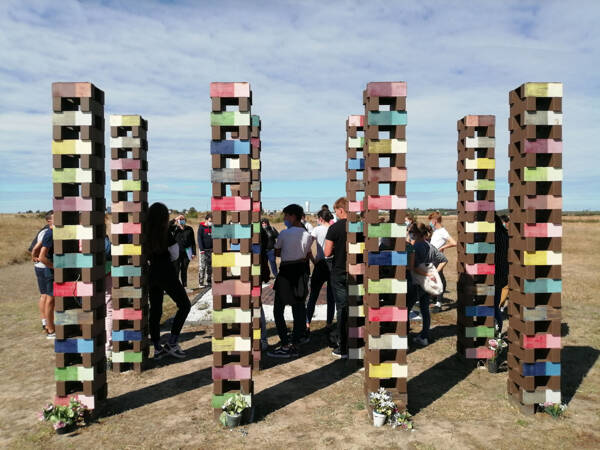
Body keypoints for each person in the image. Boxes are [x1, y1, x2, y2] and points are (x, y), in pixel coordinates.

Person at [145, 202, 192, 359]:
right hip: (167, 273)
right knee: (184, 305)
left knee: (156, 310)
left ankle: (157, 348)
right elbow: (175, 254)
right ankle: (172, 342)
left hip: (151, 275)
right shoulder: (166, 234)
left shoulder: (144, 233)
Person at [267, 204, 313, 359]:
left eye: (286, 216)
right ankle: (296, 341)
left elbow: (278, 252)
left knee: (278, 309)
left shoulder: (284, 234)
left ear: (293, 216)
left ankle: (285, 344)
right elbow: (307, 254)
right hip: (300, 272)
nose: (285, 219)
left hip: (286, 272)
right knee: (298, 308)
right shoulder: (307, 235)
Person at [408, 222, 448, 346]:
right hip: (428, 285)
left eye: (411, 232)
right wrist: (434, 273)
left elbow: (413, 267)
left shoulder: (416, 247)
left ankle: (404, 337)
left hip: (417, 283)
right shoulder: (430, 246)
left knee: (406, 309)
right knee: (425, 310)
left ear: (415, 233)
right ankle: (424, 335)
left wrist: (426, 274)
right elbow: (444, 260)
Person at [324, 197, 350, 358]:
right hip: (357, 272)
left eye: (336, 211)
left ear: (341, 210)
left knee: (342, 308)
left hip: (339, 271)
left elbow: (327, 252)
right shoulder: (360, 226)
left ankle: (343, 346)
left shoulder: (334, 228)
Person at [305, 208, 335, 334]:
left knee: (313, 296)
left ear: (321, 219)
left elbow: (307, 247)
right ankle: (329, 323)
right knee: (331, 297)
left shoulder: (317, 230)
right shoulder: (333, 229)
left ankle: (307, 323)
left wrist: (313, 260)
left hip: (320, 263)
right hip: (332, 263)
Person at [30, 211, 54, 336]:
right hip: (44, 267)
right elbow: (39, 251)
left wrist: (34, 256)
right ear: (49, 221)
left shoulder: (44, 231)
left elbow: (34, 248)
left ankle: (46, 323)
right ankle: (49, 327)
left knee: (45, 296)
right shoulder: (48, 233)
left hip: (42, 265)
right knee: (47, 297)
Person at [428, 211, 456, 312]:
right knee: (439, 278)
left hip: (437, 259)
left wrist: (442, 247)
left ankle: (438, 304)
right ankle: (435, 299)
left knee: (439, 279)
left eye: (431, 221)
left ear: (435, 221)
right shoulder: (436, 231)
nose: (430, 223)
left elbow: (453, 242)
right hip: (432, 258)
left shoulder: (443, 231)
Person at [37, 212, 55, 339]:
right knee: (50, 299)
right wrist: (55, 268)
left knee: (51, 299)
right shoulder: (50, 233)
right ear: (49, 221)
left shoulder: (54, 232)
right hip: (50, 271)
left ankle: (50, 326)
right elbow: (42, 257)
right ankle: (50, 330)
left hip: (52, 270)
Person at [172, 214, 196, 292]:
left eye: (183, 220)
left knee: (184, 269)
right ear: (178, 221)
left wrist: (193, 252)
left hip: (187, 252)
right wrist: (175, 219)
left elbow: (193, 241)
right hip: (176, 252)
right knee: (176, 270)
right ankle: (175, 287)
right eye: (180, 220)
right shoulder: (174, 229)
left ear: (185, 220)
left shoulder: (189, 229)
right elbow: (167, 226)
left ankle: (184, 286)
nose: (181, 221)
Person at [494, 214, 509, 333]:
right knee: (495, 306)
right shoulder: (505, 234)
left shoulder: (493, 235)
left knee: (490, 306)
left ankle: (494, 333)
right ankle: (497, 332)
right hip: (501, 276)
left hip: (492, 276)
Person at [104, 216, 113, 365]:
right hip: (106, 276)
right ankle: (108, 347)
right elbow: (108, 251)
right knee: (109, 311)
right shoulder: (103, 240)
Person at [197, 213, 213, 287]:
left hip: (210, 250)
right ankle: (201, 282)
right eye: (210, 220)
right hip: (203, 250)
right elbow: (199, 239)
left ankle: (209, 281)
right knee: (202, 267)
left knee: (209, 266)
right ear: (206, 220)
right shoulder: (201, 227)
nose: (211, 222)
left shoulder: (212, 227)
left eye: (212, 221)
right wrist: (201, 249)